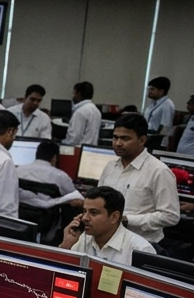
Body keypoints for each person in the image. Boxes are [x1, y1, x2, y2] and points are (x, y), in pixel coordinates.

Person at [98, 111, 180, 244]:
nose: (118, 143)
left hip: (141, 245)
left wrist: (127, 220)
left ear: (142, 140)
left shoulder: (159, 171)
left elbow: (170, 216)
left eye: (125, 139)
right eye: (115, 137)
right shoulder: (110, 167)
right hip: (106, 240)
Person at [61, 186, 157, 265]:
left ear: (114, 217)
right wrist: (66, 246)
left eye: (93, 213)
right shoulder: (81, 239)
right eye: (84, 211)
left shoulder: (141, 249)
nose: (85, 218)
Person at [18, 140, 84, 208]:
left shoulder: (18, 170)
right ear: (54, 158)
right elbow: (76, 197)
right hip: (46, 213)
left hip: (19, 212)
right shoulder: (60, 176)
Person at [63, 81, 101, 146]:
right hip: (91, 149)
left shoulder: (80, 112)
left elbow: (74, 139)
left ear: (78, 94)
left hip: (79, 149)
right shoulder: (97, 111)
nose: (73, 97)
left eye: (74, 93)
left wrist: (62, 143)